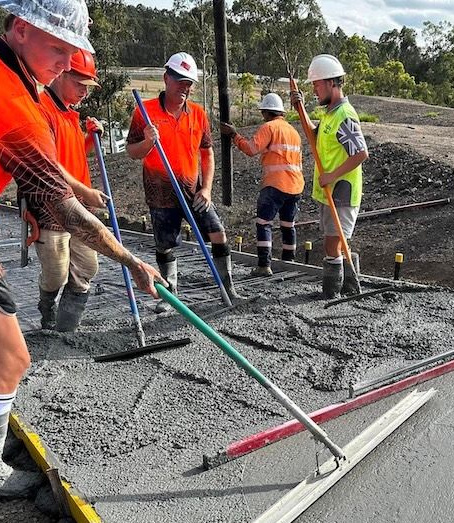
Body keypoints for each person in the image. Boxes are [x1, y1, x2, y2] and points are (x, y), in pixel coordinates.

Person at [0, 0, 161, 498]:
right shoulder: (19, 112)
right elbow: (65, 215)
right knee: (12, 360)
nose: (65, 61)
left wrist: (75, 186)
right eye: (57, 48)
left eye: (71, 51)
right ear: (19, 28)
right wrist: (131, 260)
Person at [126, 52, 239, 312]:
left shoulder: (197, 114)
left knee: (218, 233)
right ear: (166, 78)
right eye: (180, 81)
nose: (184, 88)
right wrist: (148, 141)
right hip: (160, 193)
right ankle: (171, 298)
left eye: (188, 83)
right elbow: (132, 151)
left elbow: (207, 153)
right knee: (165, 245)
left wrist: (206, 189)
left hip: (192, 191)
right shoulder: (145, 112)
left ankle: (228, 288)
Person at [26, 48, 106, 331]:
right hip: (51, 205)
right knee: (56, 273)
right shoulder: (40, 109)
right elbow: (50, 164)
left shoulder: (69, 114)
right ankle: (47, 306)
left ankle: (67, 329)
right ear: (61, 75)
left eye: (88, 86)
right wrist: (86, 192)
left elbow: (73, 155)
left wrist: (91, 139)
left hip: (79, 204)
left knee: (86, 267)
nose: (85, 91)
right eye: (80, 84)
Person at [290, 54, 369, 299]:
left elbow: (360, 153)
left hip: (341, 190)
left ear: (331, 82)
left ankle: (332, 291)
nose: (314, 90)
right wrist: (300, 109)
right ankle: (349, 287)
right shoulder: (330, 114)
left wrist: (332, 175)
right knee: (336, 241)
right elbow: (313, 137)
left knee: (332, 244)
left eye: (316, 84)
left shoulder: (344, 115)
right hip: (331, 191)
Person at [219, 93, 304, 276]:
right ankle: (289, 262)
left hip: (275, 184)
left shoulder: (269, 127)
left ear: (266, 112)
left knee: (264, 223)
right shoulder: (293, 132)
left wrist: (234, 135)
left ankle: (264, 265)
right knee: (288, 225)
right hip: (295, 186)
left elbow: (251, 149)